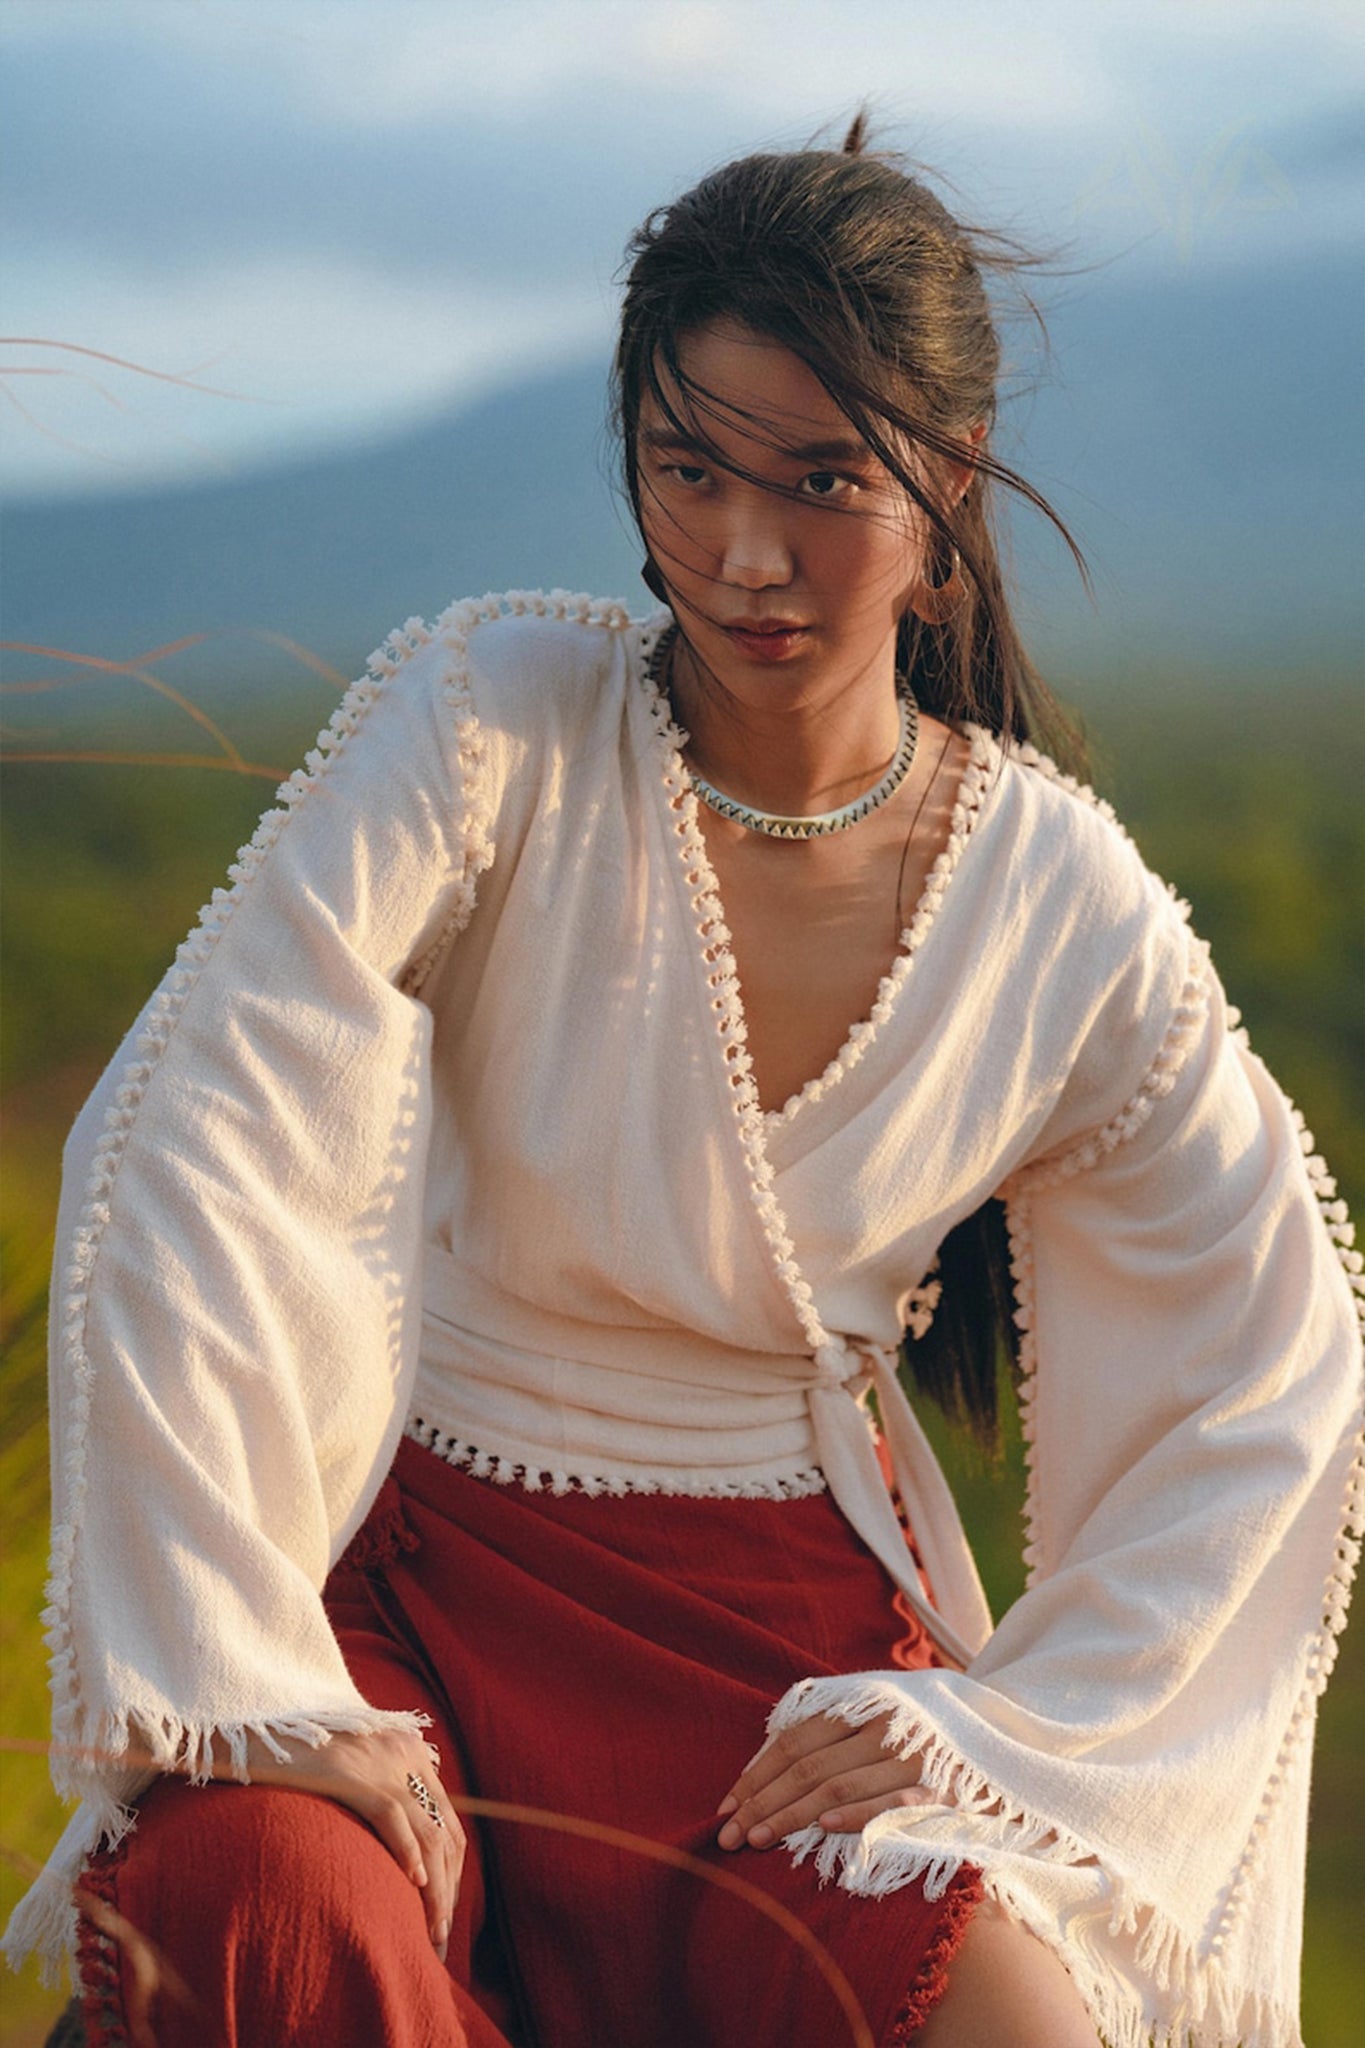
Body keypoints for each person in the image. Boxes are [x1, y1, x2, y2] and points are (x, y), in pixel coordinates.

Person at [5, 118, 1361, 2048]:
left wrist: (999, 1727)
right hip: (413, 1583)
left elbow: (1277, 1373)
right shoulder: (492, 721)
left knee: (1017, 2027)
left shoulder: (1058, 902)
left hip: (779, 1670)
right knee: (263, 1897)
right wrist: (258, 1680)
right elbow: (188, 1127)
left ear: (946, 480)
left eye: (820, 479)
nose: (740, 552)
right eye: (684, 465)